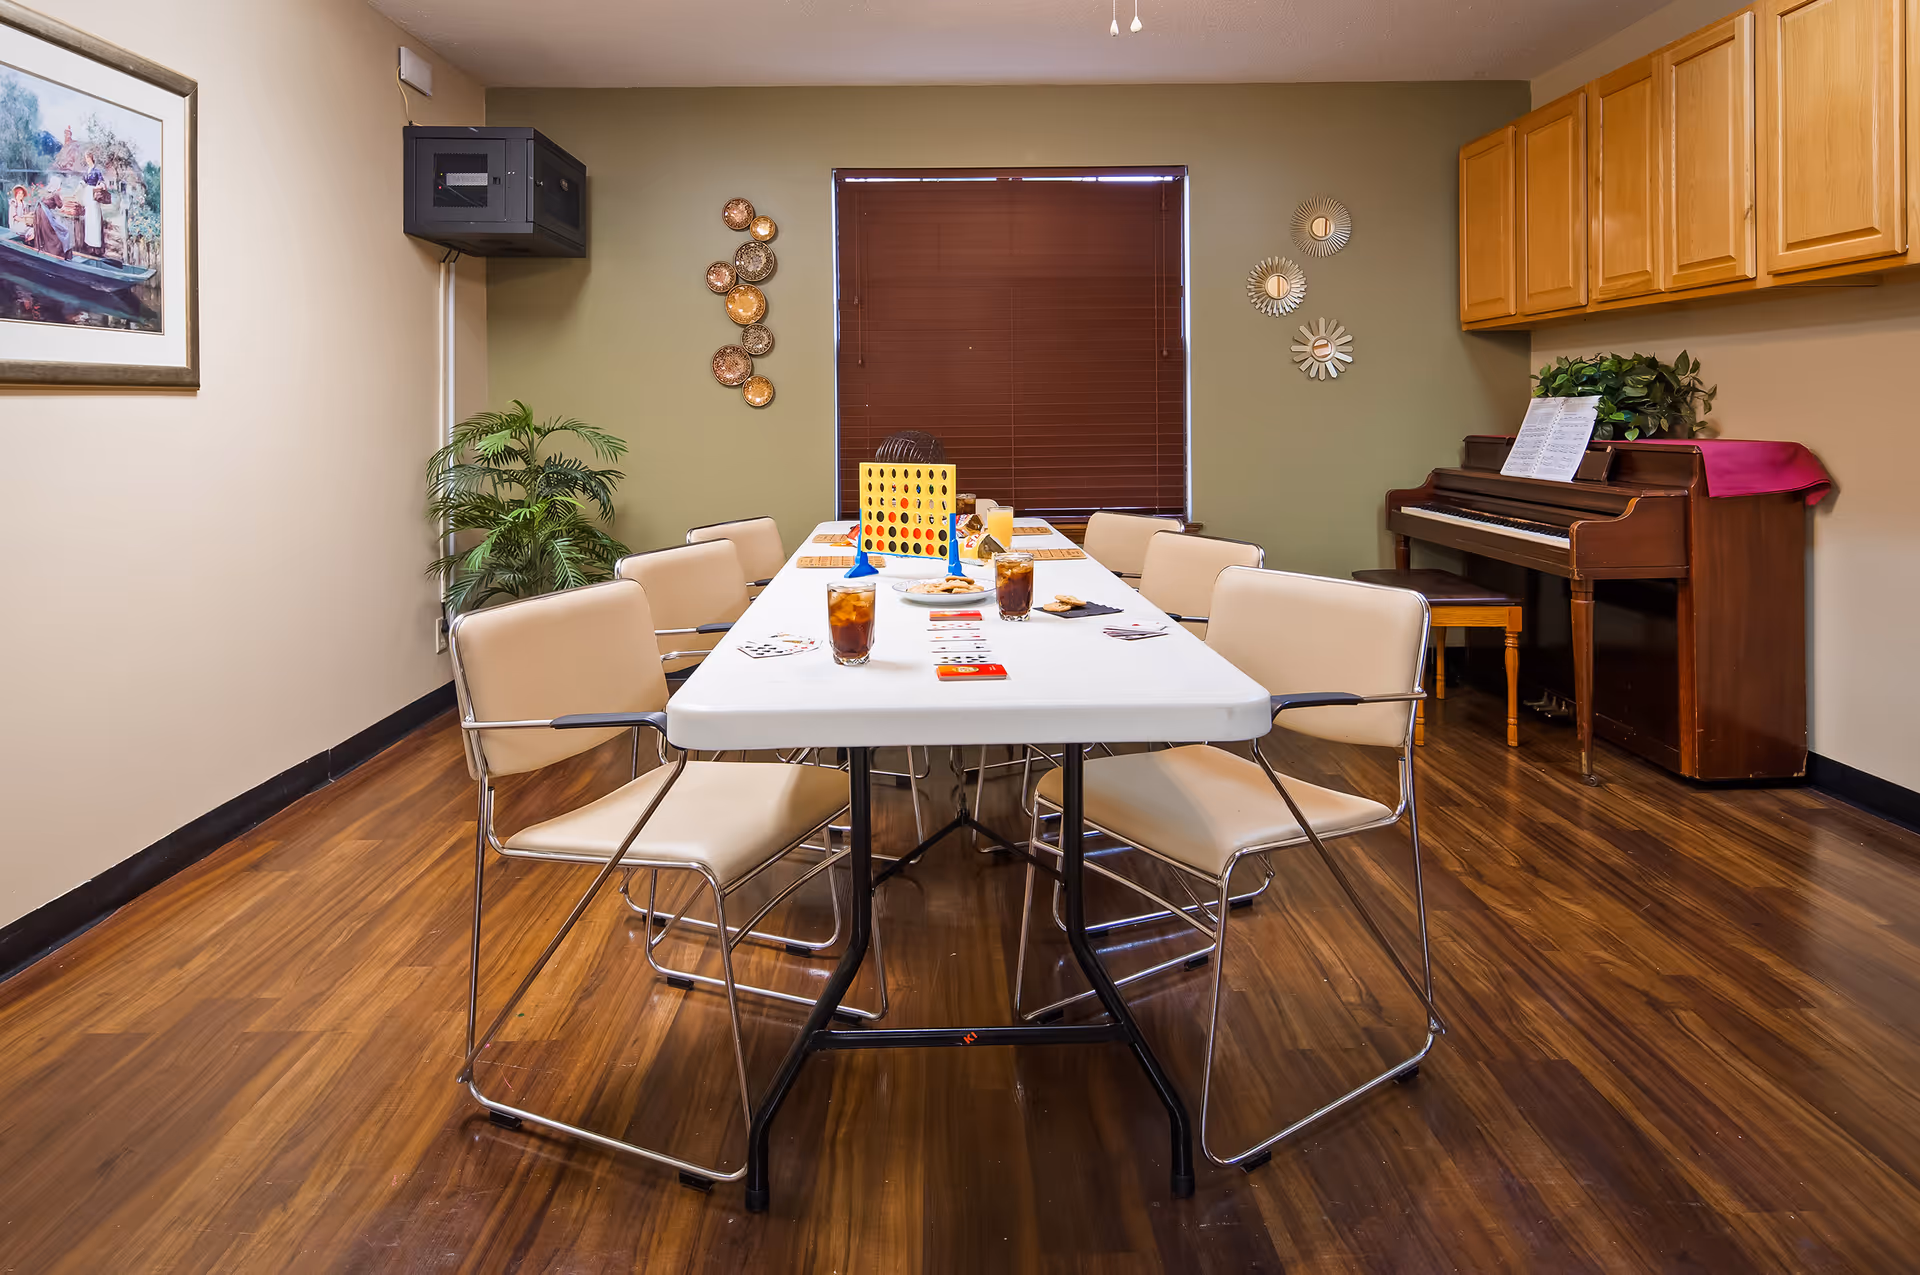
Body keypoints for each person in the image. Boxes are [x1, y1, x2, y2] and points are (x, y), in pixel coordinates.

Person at [80, 150, 105, 257]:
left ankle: (96, 247)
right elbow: (82, 182)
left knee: (95, 220)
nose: (87, 160)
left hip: (94, 196)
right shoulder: (87, 171)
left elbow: (102, 182)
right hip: (87, 195)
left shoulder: (97, 171)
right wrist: (77, 190)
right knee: (89, 220)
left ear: (91, 158)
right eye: (86, 159)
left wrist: (99, 186)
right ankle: (90, 245)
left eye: (88, 158)